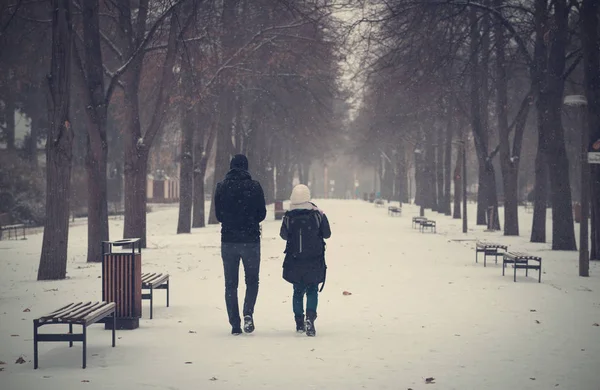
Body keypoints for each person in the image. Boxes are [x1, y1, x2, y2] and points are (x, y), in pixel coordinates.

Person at [215, 154, 267, 335]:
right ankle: (248, 313)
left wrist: (231, 220)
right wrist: (249, 220)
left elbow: (219, 216)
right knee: (252, 280)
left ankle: (234, 323)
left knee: (231, 284)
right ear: (246, 167)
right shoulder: (254, 187)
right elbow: (262, 214)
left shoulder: (221, 187)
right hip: (250, 241)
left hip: (228, 241)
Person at [279, 184, 331, 337]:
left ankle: (299, 321)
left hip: (295, 259)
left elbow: (283, 235)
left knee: (297, 291)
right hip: (314, 259)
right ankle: (310, 317)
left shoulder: (289, 216)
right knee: (312, 289)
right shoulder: (318, 215)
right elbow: (327, 234)